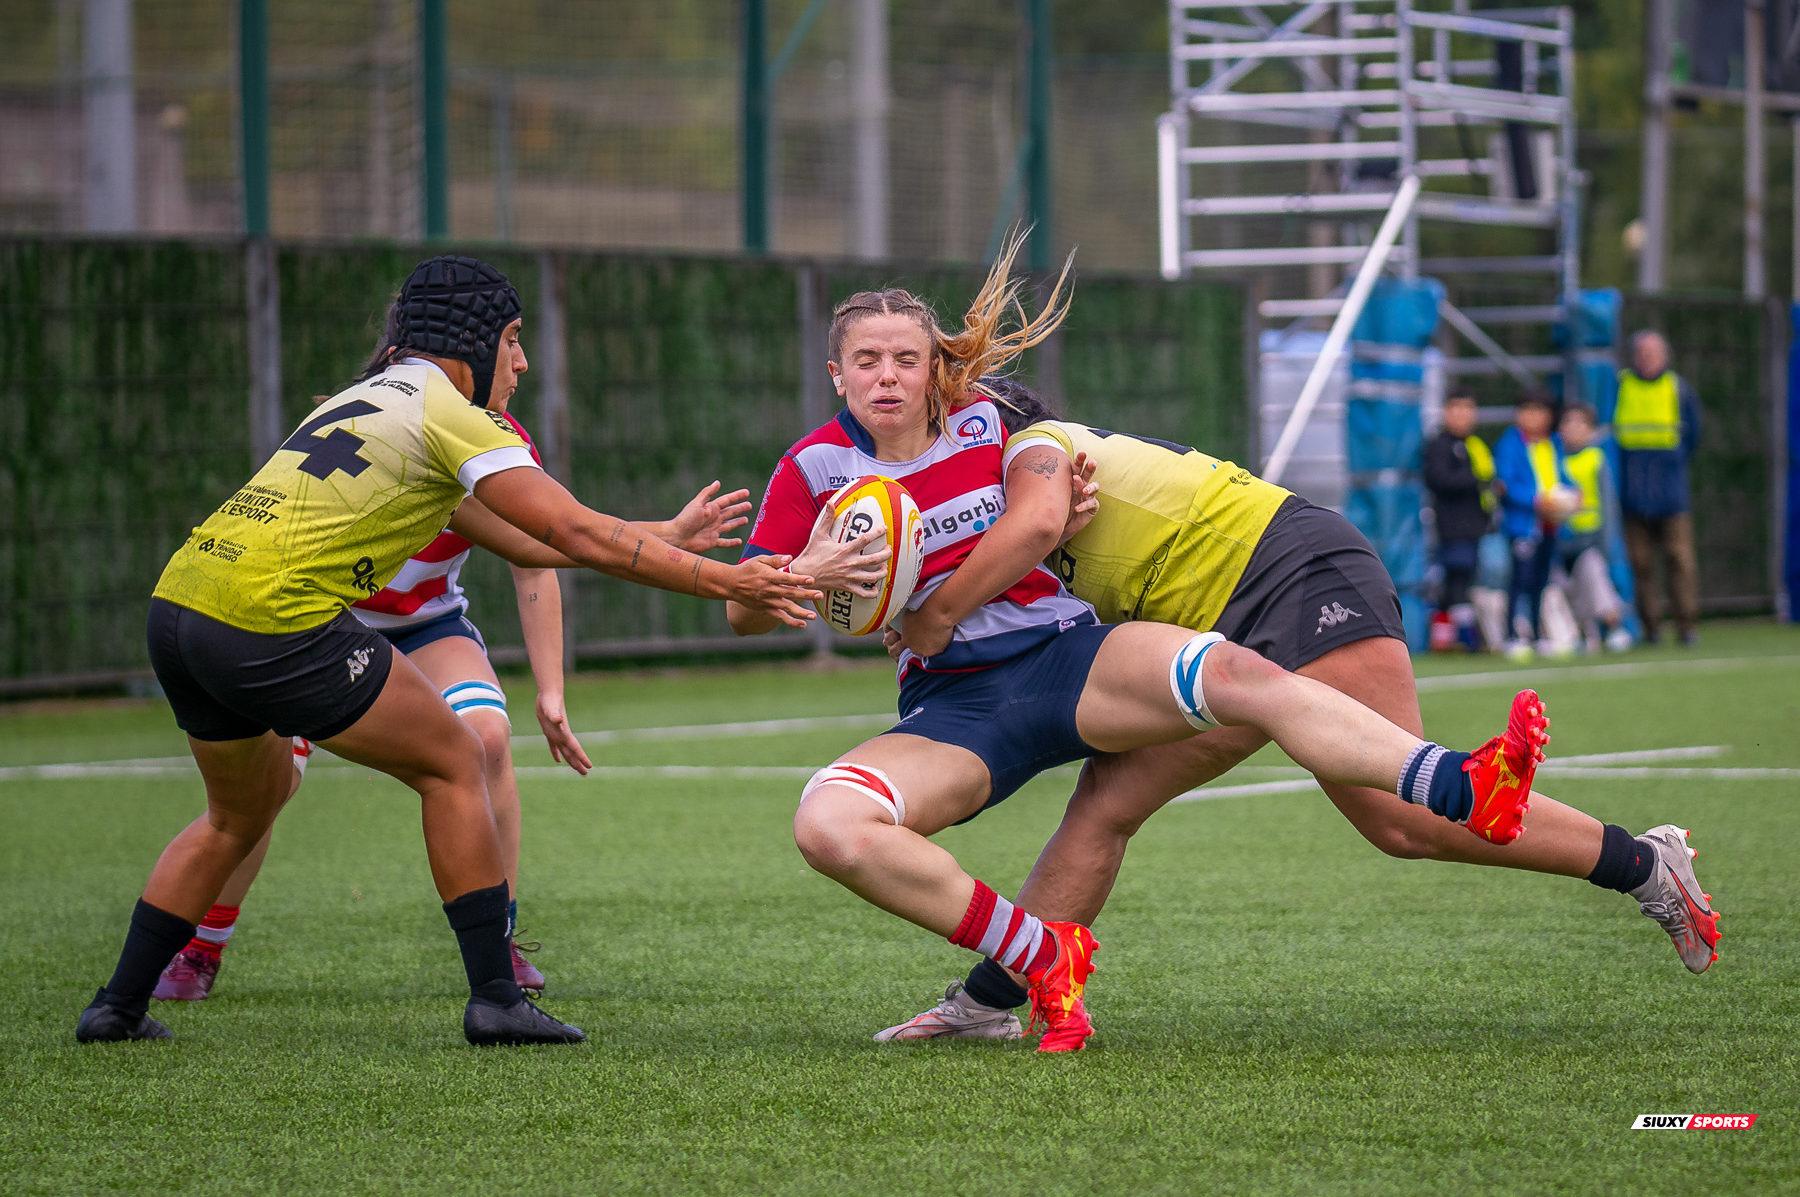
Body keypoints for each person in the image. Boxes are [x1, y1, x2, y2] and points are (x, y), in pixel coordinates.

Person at [728, 242, 1564, 1054]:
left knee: (1240, 670)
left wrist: (1044, 510)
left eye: (906, 359)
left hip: (1069, 658)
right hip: (954, 706)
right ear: (835, 374)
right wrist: (805, 572)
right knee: (829, 824)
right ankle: (1039, 956)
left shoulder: (995, 423)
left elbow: (1050, 504)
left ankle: (1463, 781)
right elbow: (745, 615)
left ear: (933, 367)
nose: (887, 376)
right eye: (866, 360)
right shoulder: (811, 470)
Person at [77, 255, 822, 1045]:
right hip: (274, 619)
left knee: (237, 812)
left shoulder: (363, 400)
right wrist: (728, 583)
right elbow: (568, 529)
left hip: (182, 604)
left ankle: (116, 1006)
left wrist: (663, 539)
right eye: (513, 339)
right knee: (458, 761)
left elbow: (529, 536)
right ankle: (496, 998)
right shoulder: (456, 416)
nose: (522, 361)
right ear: (473, 340)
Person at [871, 379, 1721, 1043]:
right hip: (1215, 639)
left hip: (1292, 570)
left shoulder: (1036, 452)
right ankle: (991, 1000)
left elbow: (1036, 521)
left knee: (1400, 819)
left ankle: (1644, 866)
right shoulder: (1002, 513)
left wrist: (932, 614)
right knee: (1105, 801)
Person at [150, 410, 754, 1002]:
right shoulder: (365, 416)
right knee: (269, 783)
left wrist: (551, 690)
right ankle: (203, 944)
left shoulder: (500, 440)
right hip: (316, 625)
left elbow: (537, 549)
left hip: (425, 626)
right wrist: (672, 539)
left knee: (487, 737)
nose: (517, 361)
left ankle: (502, 941)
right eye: (508, 339)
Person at [1616, 330, 1703, 645]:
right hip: (1633, 492)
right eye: (1641, 352)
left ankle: (1686, 625)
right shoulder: (1621, 386)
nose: (1647, 358)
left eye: (1653, 352)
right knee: (1640, 562)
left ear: (1665, 356)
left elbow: (1693, 435)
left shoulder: (1678, 389)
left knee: (1679, 559)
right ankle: (1650, 626)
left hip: (1671, 492)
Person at [1492, 391, 1579, 661]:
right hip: (1523, 526)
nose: (1533, 416)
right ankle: (1511, 636)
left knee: (1541, 581)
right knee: (1520, 579)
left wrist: (1573, 493)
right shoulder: (1510, 444)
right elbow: (1505, 485)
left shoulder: (1553, 443)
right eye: (1527, 409)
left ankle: (1538, 635)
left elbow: (1560, 474)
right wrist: (1536, 500)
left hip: (1549, 525)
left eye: (1539, 410)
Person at [1554, 403, 1632, 654]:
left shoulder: (1596, 459)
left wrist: (1606, 545)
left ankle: (1614, 627)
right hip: (1558, 541)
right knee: (1559, 586)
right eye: (1568, 422)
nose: (1573, 428)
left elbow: (1608, 507)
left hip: (1588, 540)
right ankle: (1574, 633)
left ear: (1591, 430)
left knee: (1593, 573)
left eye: (1580, 423)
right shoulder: (1551, 457)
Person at [1423, 392, 1495, 652]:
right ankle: (1464, 639)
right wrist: (1475, 479)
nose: (1463, 415)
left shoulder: (1476, 445)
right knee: (1457, 578)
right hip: (1452, 527)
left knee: (1462, 579)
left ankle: (1447, 638)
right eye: (1457, 409)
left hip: (1475, 526)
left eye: (1468, 409)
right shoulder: (1440, 446)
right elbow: (1439, 480)